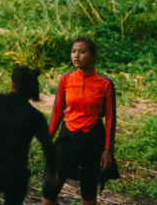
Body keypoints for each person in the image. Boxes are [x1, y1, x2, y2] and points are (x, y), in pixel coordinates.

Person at [42, 36, 118, 205]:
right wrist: (47, 141)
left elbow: (111, 118)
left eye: (82, 52)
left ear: (93, 56)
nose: (76, 56)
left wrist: (108, 149)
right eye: (73, 51)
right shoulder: (65, 80)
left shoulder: (105, 83)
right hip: (68, 135)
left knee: (89, 190)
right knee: (50, 186)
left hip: (92, 138)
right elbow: (56, 113)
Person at [0, 65, 55, 205]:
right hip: (15, 172)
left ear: (13, 84)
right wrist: (52, 172)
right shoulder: (35, 116)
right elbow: (48, 148)